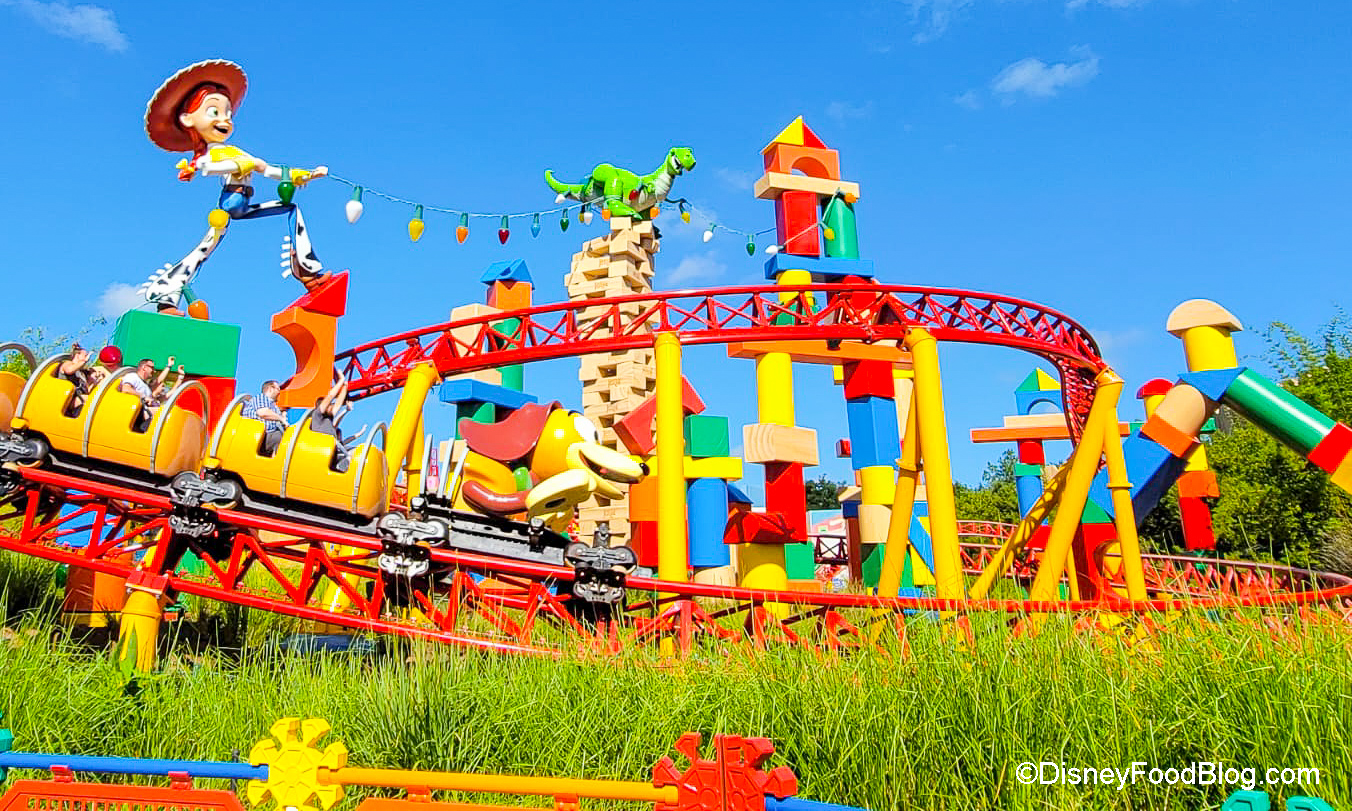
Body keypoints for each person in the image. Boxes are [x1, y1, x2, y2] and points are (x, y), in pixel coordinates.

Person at [139, 60, 330, 315]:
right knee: (204, 248)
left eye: (228, 113)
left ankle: (307, 270)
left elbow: (272, 170)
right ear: (187, 119)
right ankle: (166, 294)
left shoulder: (235, 153)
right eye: (214, 112)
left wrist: (306, 175)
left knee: (290, 209)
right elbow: (207, 166)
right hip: (229, 204)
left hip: (243, 204)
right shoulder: (216, 154)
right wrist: (238, 165)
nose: (225, 119)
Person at [310, 376, 352, 472]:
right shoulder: (317, 415)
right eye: (330, 405)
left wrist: (345, 386)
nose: (332, 406)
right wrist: (340, 381)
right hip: (322, 449)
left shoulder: (330, 416)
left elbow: (339, 403)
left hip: (333, 449)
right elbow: (330, 396)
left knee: (355, 453)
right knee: (348, 458)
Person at [242, 379, 288, 456]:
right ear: (270, 389)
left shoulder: (273, 406)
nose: (279, 392)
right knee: (280, 438)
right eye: (278, 389)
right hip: (257, 436)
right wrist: (281, 419)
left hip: (267, 436)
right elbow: (262, 412)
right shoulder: (261, 398)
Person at [57, 344, 94, 415]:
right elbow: (69, 370)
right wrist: (84, 361)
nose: (87, 357)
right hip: (67, 399)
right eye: (85, 355)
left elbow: (86, 391)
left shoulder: (81, 374)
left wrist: (93, 382)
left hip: (79, 400)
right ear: (77, 355)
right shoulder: (67, 364)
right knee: (91, 400)